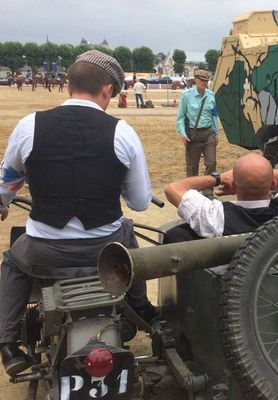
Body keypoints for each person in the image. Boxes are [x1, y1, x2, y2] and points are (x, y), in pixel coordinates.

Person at [0, 50, 157, 376]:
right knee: (126, 229)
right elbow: (140, 202)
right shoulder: (122, 131)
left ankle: (8, 344)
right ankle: (141, 307)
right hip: (105, 251)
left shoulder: (29, 126)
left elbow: (8, 184)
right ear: (107, 90)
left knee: (13, 261)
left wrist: (3, 204)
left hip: (44, 250)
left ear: (68, 85)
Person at [163, 153, 278, 243]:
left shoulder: (215, 218)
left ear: (233, 185)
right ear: (273, 185)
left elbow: (173, 189)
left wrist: (218, 178)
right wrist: (261, 175)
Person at [175, 69, 219, 195]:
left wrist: (216, 133)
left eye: (206, 81)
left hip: (209, 134)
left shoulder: (211, 96)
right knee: (192, 166)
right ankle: (192, 193)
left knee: (211, 163)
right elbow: (180, 117)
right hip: (193, 135)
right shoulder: (186, 95)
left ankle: (207, 192)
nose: (204, 83)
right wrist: (183, 134)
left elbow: (214, 115)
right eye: (202, 80)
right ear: (195, 80)